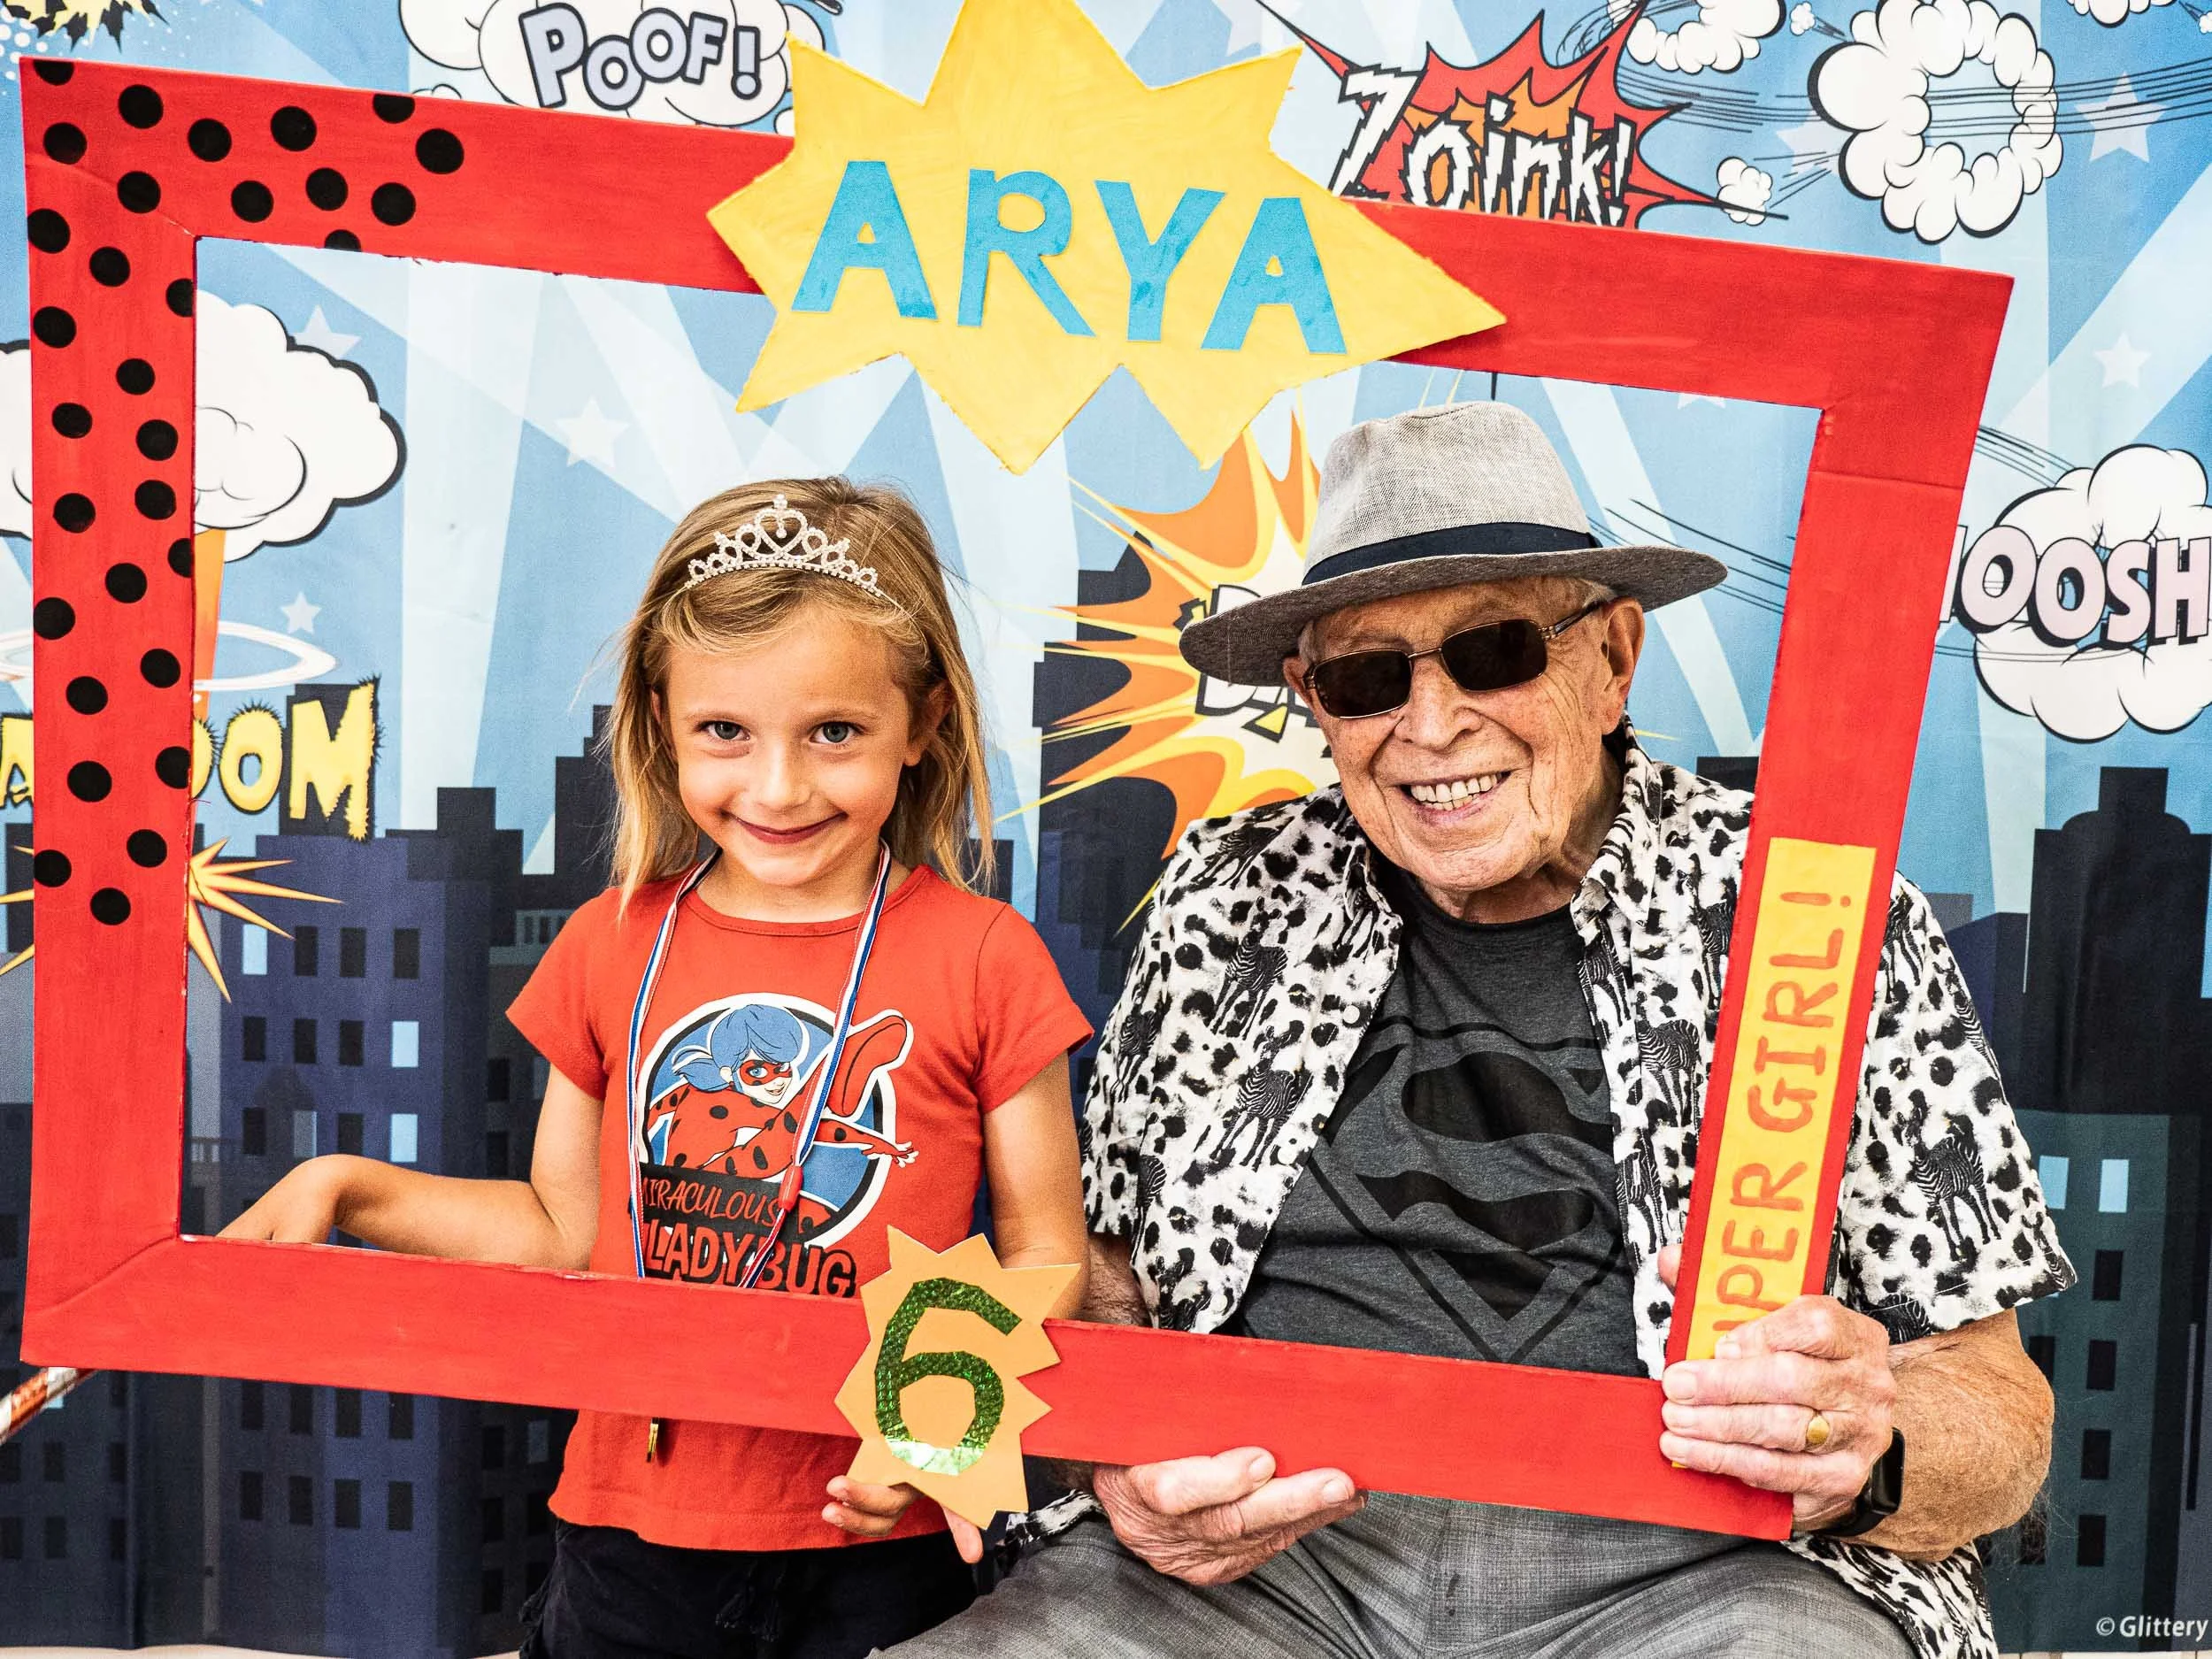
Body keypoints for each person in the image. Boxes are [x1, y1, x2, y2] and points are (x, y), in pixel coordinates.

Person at [891, 403, 2072, 1659]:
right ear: (1315, 703)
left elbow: (1996, 1399)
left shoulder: (1813, 910)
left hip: (1706, 1570)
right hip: (1262, 1565)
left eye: (1494, 651)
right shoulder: (1229, 891)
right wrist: (1124, 1448)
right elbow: (1104, 1275)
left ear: (1613, 658)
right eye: (1367, 678)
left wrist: (1871, 1453)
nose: (1431, 723)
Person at [227, 478, 1094, 1659]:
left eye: (835, 732)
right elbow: (564, 1231)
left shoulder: (988, 956)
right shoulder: (609, 943)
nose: (778, 787)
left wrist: (934, 1426)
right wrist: (347, 1186)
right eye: (725, 732)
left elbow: (1045, 1249)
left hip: (878, 1539)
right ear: (660, 717)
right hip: (629, 1541)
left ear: (923, 722)